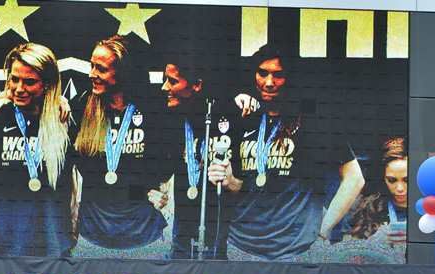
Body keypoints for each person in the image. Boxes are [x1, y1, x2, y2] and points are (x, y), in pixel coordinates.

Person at [208, 44, 365, 261]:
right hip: (242, 246)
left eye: (278, 75)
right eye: (262, 73)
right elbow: (242, 185)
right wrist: (229, 181)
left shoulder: (310, 118)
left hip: (295, 250)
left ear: (291, 78)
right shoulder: (242, 116)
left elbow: (355, 178)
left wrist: (323, 229)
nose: (269, 82)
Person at [0, 42, 73, 257]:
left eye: (29, 82)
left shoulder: (65, 120)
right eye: (14, 79)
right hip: (0, 249)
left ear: (47, 84)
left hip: (52, 248)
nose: (18, 88)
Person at [73, 35, 169, 258]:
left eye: (101, 69)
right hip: (92, 235)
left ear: (125, 72)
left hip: (143, 235)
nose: (91, 74)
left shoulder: (155, 110)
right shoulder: (81, 107)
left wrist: (241, 99)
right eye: (91, 66)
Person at [160, 59, 227, 259]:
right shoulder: (169, 119)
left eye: (172, 81)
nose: (165, 87)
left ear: (196, 85)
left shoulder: (224, 116)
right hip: (181, 233)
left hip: (219, 232)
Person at [348, 137, 408, 250]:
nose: (400, 188)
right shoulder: (367, 208)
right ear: (382, 178)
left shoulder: (432, 208)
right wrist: (377, 242)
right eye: (391, 180)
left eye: (407, 180)